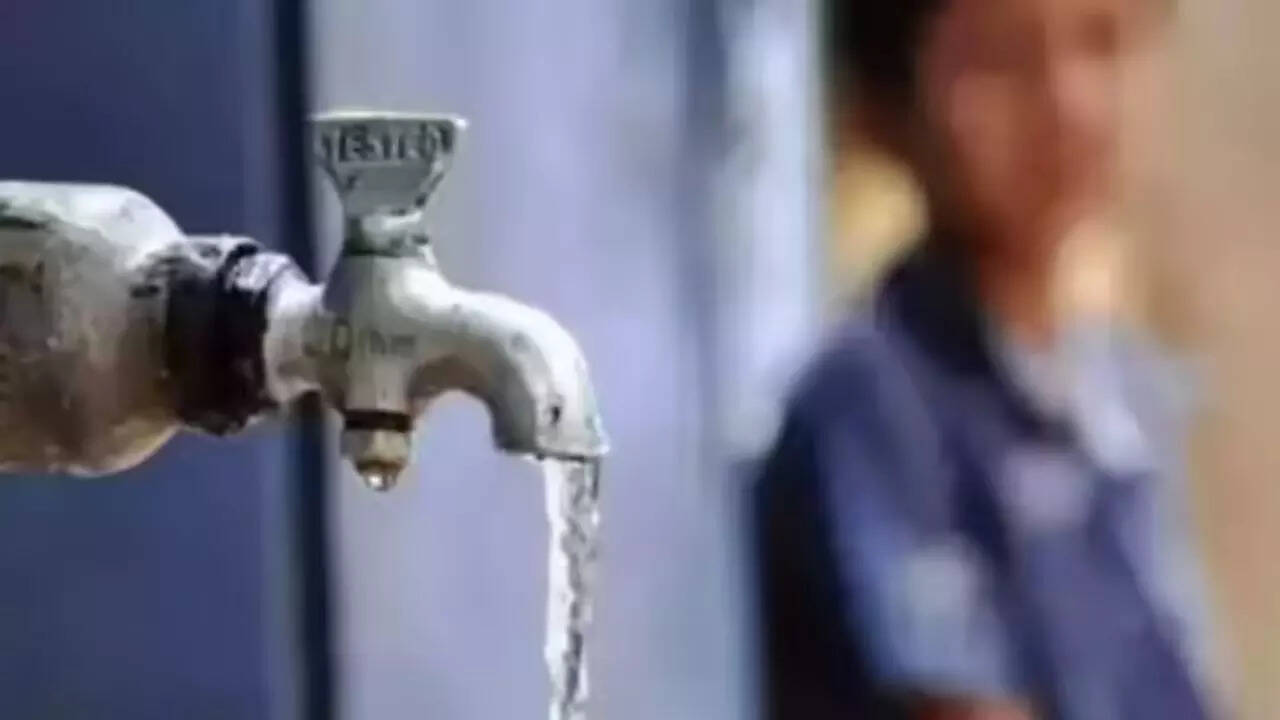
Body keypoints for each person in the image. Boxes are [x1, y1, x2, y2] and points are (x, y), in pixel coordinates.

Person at [754, 0, 1219, 718]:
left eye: (1102, 43)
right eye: (1000, 61)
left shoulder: (1122, 398)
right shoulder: (872, 403)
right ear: (885, 103)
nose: (1067, 103)